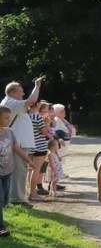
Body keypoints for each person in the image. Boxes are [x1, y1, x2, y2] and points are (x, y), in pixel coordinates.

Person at [1, 77, 42, 207]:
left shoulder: (12, 103)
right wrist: (37, 86)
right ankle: (16, 200)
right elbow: (31, 101)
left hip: (18, 143)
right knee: (19, 171)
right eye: (21, 91)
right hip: (16, 143)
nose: (23, 93)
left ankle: (13, 199)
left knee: (19, 171)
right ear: (12, 93)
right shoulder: (11, 103)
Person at [0, 105, 36, 237]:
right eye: (6, 118)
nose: (8, 120)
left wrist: (28, 160)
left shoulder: (10, 132)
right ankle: (1, 227)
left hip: (7, 170)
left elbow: (17, 148)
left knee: (4, 201)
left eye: (9, 118)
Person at [27, 101, 52, 201]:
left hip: (29, 146)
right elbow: (44, 132)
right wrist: (46, 123)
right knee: (36, 170)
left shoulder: (26, 116)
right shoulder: (37, 117)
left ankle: (30, 191)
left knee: (30, 170)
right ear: (36, 104)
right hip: (39, 145)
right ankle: (33, 193)